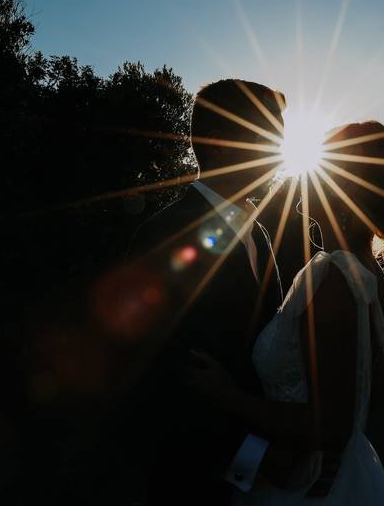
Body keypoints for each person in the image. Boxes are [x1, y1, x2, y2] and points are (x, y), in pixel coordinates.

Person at [187, 121, 384, 505]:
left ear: (345, 188)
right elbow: (376, 392)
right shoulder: (369, 272)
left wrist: (226, 394)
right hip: (342, 475)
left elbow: (330, 427)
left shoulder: (333, 275)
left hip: (301, 486)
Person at [127, 79, 289, 505]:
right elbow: (161, 374)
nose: (280, 152)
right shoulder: (162, 236)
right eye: (266, 137)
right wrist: (252, 457)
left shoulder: (259, 234)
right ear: (218, 142)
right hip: (192, 478)